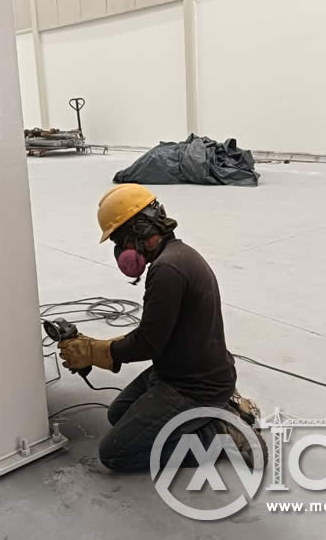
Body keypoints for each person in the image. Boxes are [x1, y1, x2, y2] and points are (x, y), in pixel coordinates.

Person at [58, 183, 265, 471]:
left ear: (140, 230)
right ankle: (217, 409)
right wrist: (97, 347)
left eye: (120, 240)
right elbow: (155, 333)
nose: (120, 251)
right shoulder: (177, 255)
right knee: (118, 414)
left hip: (193, 386)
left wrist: (96, 353)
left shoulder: (167, 270)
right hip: (177, 369)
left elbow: (147, 344)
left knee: (115, 453)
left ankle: (220, 436)